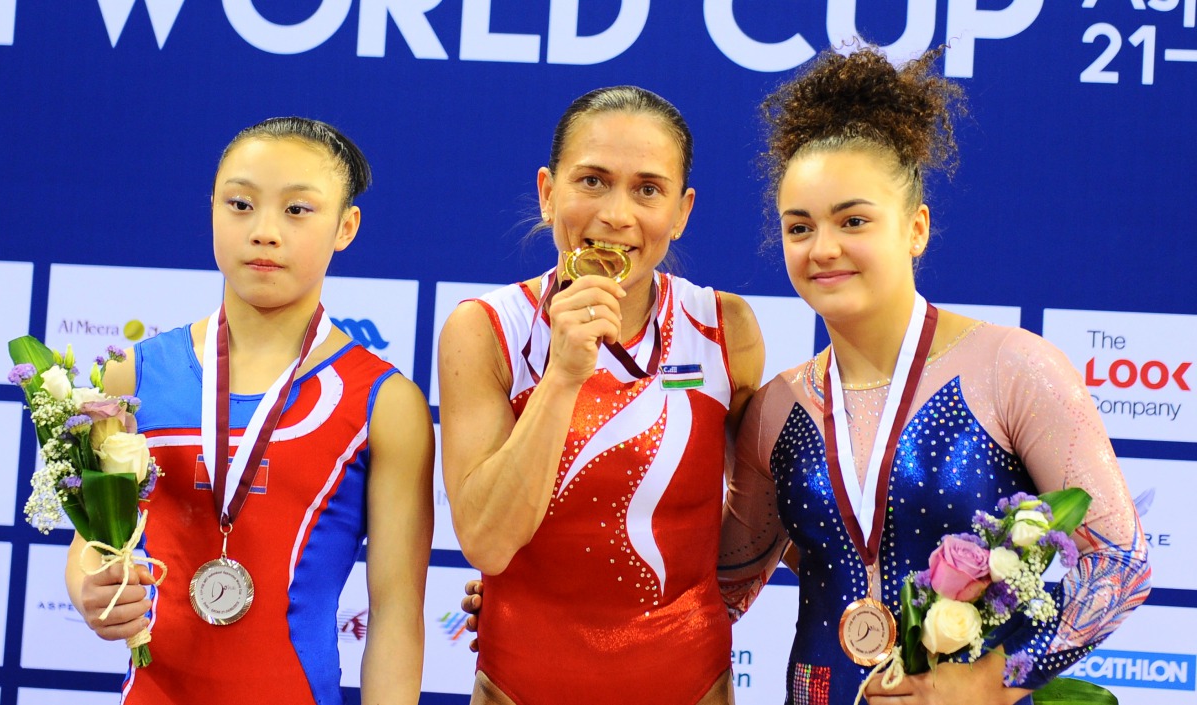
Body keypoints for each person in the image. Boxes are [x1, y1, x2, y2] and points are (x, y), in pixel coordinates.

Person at [717, 47, 1150, 705]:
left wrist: (993, 677)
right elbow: (718, 587)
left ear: (915, 227)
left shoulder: (1013, 368)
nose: (823, 248)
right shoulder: (775, 407)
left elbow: (1119, 562)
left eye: (853, 220)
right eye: (799, 226)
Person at [64, 117, 435, 705]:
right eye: (240, 204)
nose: (264, 231)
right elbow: (95, 543)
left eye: (297, 210)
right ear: (211, 208)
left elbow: (395, 613)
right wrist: (90, 588)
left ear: (346, 227)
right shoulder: (129, 375)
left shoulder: (385, 402)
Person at [437, 86, 764, 704]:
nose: (617, 215)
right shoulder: (486, 329)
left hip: (693, 686)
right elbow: (484, 539)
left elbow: (765, 508)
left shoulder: (725, 328)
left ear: (682, 209)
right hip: (518, 687)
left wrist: (713, 602)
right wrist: (562, 376)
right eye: (592, 181)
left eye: (648, 189)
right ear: (547, 191)